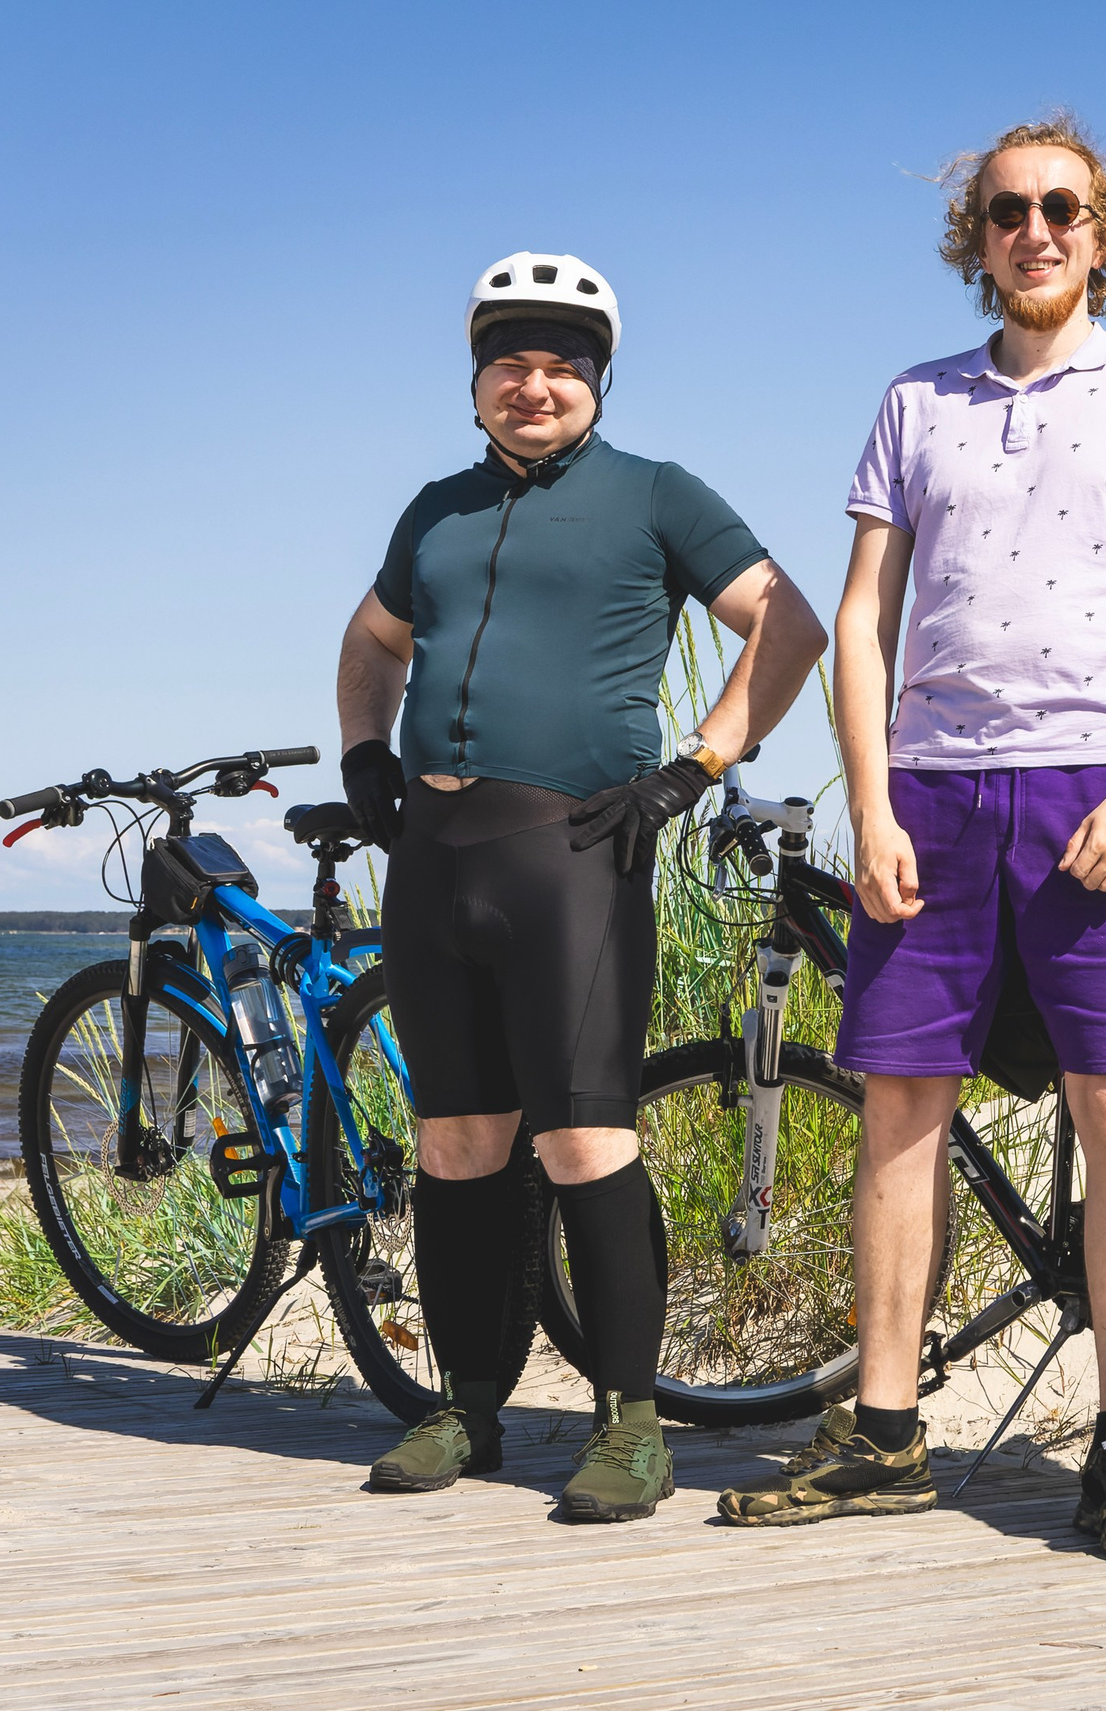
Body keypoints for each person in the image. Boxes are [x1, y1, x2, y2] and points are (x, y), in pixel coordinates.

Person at [712, 115, 1106, 1561]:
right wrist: (872, 801)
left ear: (1104, 229)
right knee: (899, 1104)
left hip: (1100, 786)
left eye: (1063, 207)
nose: (1036, 230)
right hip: (935, 797)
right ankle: (886, 1429)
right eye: (1008, 210)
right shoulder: (916, 399)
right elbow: (865, 620)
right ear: (980, 237)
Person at [337, 251, 827, 1520]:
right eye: (510, 363)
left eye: (560, 365)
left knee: (582, 1136)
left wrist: (699, 762)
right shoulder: (434, 510)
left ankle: (632, 1423)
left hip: (572, 852)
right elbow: (371, 639)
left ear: (598, 381)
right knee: (455, 1143)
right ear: (477, 383)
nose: (533, 384)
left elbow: (790, 624)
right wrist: (363, 751)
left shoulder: (655, 495)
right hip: (433, 864)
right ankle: (465, 1409)